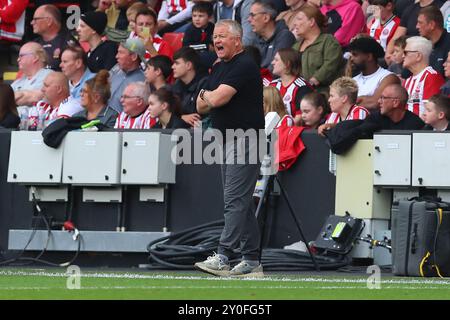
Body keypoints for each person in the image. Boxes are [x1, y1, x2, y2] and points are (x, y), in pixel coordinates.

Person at [195, 20, 265, 277]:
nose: (217, 41)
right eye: (215, 36)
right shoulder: (220, 67)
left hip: (245, 139)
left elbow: (215, 98)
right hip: (227, 139)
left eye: (222, 36)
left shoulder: (244, 65)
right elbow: (200, 105)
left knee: (234, 201)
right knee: (241, 202)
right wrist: (207, 97)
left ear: (238, 39)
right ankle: (251, 260)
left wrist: (207, 97)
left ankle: (223, 255)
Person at [293, 5, 344, 94]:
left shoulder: (328, 41)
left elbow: (331, 64)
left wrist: (315, 80)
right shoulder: (295, 46)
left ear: (312, 22)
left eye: (299, 19)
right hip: (297, 93)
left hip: (323, 93)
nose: (294, 23)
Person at [348, 37, 400, 110]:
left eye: (355, 55)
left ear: (369, 57)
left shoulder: (388, 77)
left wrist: (351, 103)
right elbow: (342, 104)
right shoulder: (353, 80)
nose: (351, 59)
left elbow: (375, 103)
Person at [402, 36, 445, 118]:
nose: (403, 56)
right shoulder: (407, 81)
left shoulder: (431, 76)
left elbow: (431, 113)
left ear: (418, 56)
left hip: (421, 129)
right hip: (406, 129)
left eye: (405, 52)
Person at [247, 0, 296, 72]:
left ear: (266, 18)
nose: (249, 19)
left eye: (253, 15)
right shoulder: (255, 38)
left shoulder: (285, 37)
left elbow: (275, 70)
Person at [269, 48, 314, 125]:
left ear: (287, 64)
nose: (272, 63)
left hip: (292, 132)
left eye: (276, 60)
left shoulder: (302, 87)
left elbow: (300, 117)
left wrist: (280, 128)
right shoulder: (272, 85)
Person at [31, 4, 77, 70]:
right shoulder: (34, 44)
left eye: (35, 19)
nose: (32, 22)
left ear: (49, 21)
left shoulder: (68, 43)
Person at [171, 47, 208, 127]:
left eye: (177, 63)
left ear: (188, 65)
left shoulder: (204, 84)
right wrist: (182, 117)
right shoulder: (176, 86)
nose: (172, 67)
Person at [11, 42, 53, 113]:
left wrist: (11, 98)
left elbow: (34, 97)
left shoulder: (50, 75)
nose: (18, 59)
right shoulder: (18, 81)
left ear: (35, 57)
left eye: (21, 56)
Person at [109, 37, 146, 112]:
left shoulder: (143, 81)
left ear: (134, 57)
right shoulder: (115, 69)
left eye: (121, 52)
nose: (116, 56)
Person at [416, 5, 449, 77]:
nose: (417, 26)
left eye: (420, 23)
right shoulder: (422, 45)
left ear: (431, 25)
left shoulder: (448, 44)